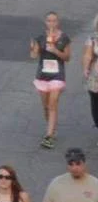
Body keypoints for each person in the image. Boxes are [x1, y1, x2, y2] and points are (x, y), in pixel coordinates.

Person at [34, 13, 74, 149]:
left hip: (57, 76)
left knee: (53, 104)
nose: (52, 23)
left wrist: (56, 51)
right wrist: (33, 49)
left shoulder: (64, 38)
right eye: (49, 21)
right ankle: (52, 129)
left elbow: (67, 57)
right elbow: (34, 55)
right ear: (45, 22)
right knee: (46, 106)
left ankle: (49, 135)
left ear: (58, 22)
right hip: (43, 75)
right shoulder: (40, 37)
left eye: (54, 21)